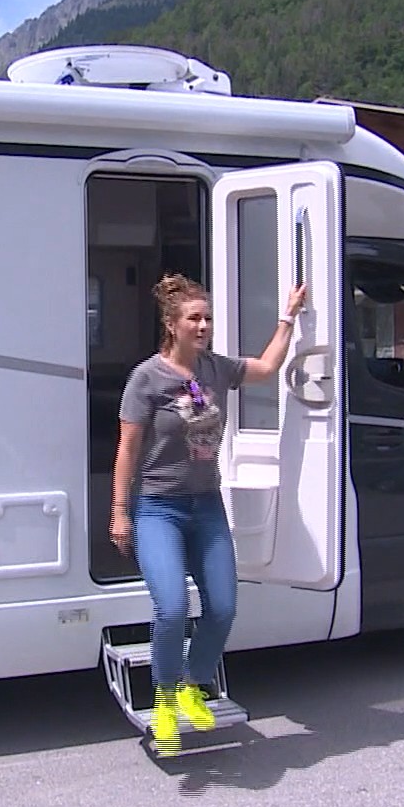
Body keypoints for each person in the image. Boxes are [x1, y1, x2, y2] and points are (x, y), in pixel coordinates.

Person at [111, 272, 306, 756]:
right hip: (159, 508)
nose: (204, 326)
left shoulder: (216, 369)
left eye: (208, 319)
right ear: (172, 324)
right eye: (195, 319)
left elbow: (266, 367)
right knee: (172, 606)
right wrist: (120, 512)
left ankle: (193, 686)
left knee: (222, 607)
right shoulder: (146, 379)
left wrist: (288, 317)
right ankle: (163, 703)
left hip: (206, 506)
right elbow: (127, 449)